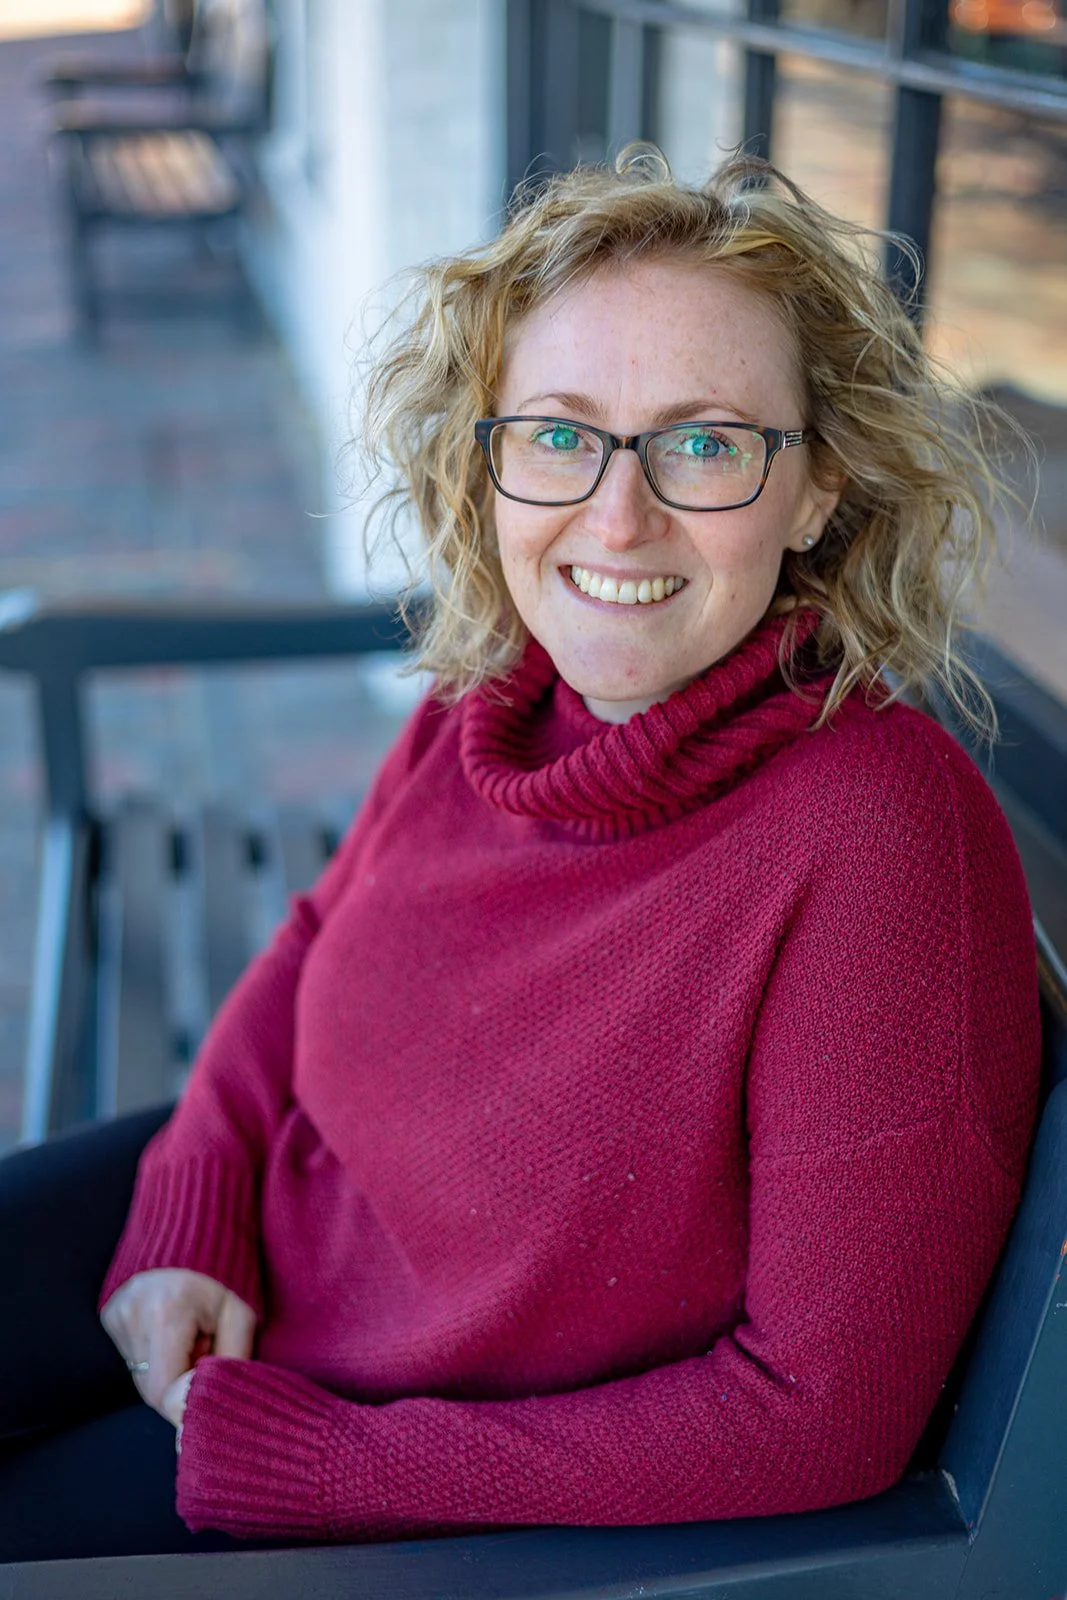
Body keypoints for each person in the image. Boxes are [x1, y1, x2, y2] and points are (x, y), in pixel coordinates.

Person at [0, 148, 1042, 1561]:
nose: (617, 519)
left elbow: (815, 1411)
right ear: (484, 457)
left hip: (393, 1454)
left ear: (818, 491)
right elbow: (312, 939)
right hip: (260, 1232)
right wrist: (193, 1198)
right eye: (558, 434)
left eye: (705, 442)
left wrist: (328, 1466)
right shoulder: (498, 689)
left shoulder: (875, 846)